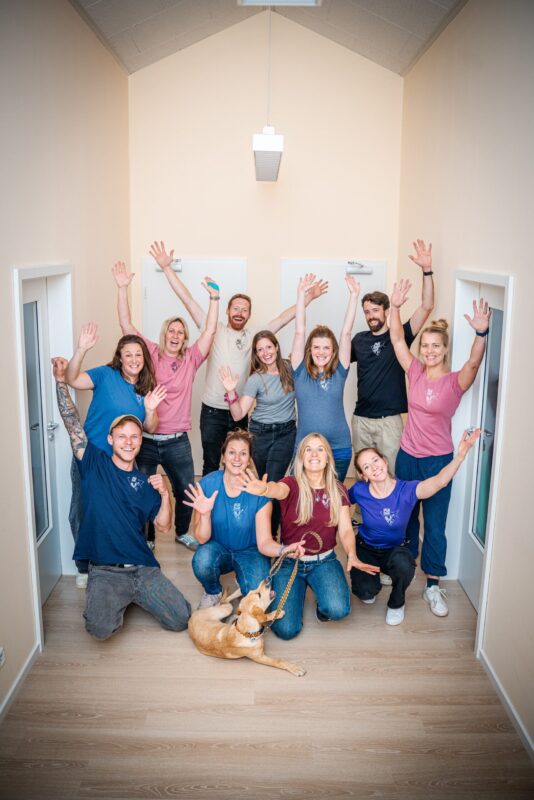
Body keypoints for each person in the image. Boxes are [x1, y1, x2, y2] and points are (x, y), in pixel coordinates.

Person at [148, 241, 327, 476]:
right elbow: (188, 300)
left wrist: (309, 297)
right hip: (212, 412)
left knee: (241, 466)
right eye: (235, 308)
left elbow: (285, 318)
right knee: (212, 464)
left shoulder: (257, 336)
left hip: (240, 412)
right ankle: (209, 511)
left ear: (249, 315)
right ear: (227, 311)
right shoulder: (214, 329)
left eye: (244, 310)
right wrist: (167, 269)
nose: (239, 313)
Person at [51, 357, 191, 639]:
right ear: (111, 439)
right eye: (122, 436)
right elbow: (71, 422)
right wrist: (60, 381)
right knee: (99, 629)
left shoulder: (145, 483)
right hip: (105, 571)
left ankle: (134, 595)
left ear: (141, 441)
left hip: (142, 567)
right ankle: (113, 596)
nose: (129, 441)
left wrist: (165, 494)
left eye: (135, 437)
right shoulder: (93, 463)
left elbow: (163, 526)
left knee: (181, 619)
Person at [389, 278, 491, 616]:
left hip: (437, 461)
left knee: (434, 525)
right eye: (426, 346)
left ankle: (433, 585)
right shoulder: (415, 372)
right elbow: (396, 339)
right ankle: (401, 570)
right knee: (405, 520)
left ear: (445, 350)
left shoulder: (455, 382)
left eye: (436, 346)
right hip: (407, 459)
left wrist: (481, 334)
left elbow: (474, 365)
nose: (429, 351)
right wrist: (395, 306)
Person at [112, 259, 219, 551]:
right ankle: (146, 538)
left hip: (176, 441)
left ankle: (184, 531)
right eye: (171, 330)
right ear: (164, 334)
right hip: (145, 438)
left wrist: (214, 298)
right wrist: (122, 289)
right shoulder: (151, 352)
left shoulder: (191, 359)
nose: (175, 335)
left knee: (185, 489)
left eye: (180, 331)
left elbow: (209, 332)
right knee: (144, 488)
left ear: (185, 338)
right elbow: (126, 325)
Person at [240, 433, 375, 640]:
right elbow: (277, 490)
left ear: (328, 457)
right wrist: (265, 489)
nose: (314, 454)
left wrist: (352, 554)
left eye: (320, 449)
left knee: (338, 610)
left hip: (324, 561)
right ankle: (299, 590)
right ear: (301, 457)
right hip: (289, 561)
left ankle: (318, 596)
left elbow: (346, 530)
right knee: (285, 630)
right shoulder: (291, 484)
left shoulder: (338, 489)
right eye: (308, 449)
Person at [64, 323, 166, 585]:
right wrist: (81, 350)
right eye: (128, 354)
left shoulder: (146, 388)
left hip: (128, 459)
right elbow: (72, 379)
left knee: (131, 509)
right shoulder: (105, 375)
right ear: (119, 358)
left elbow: (150, 427)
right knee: (83, 510)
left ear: (145, 359)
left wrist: (151, 409)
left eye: (138, 355)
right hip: (92, 458)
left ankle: (129, 554)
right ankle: (85, 567)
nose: (133, 359)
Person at [348, 429, 481, 625]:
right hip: (366, 548)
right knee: (366, 594)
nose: (374, 467)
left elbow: (439, 482)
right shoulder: (359, 490)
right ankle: (375, 576)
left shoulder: (406, 489)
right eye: (366, 467)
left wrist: (460, 455)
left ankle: (397, 603)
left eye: (376, 461)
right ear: (363, 475)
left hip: (393, 550)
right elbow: (338, 504)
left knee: (404, 565)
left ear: (385, 461)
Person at [183, 430, 305, 608]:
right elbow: (201, 539)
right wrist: (205, 513)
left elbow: (264, 543)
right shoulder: (207, 485)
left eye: (243, 454)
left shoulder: (259, 492)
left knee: (258, 598)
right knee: (202, 562)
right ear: (223, 457)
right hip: (218, 548)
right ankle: (213, 591)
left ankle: (244, 580)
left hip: (250, 551)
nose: (237, 458)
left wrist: (285, 550)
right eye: (231, 452)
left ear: (249, 460)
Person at [350, 239, 435, 472]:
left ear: (387, 311)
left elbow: (427, 306)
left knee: (391, 474)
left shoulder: (401, 336)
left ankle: (392, 510)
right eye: (367, 312)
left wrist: (427, 270)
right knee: (363, 474)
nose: (371, 316)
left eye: (375, 311)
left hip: (390, 422)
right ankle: (362, 511)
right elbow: (332, 361)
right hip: (361, 419)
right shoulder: (359, 340)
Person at [218, 330, 296, 536]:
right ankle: (258, 533)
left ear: (276, 347)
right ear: (256, 354)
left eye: (268, 347)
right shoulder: (255, 379)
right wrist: (230, 392)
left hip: (285, 432)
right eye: (260, 350)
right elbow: (238, 414)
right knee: (260, 482)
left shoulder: (290, 369)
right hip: (260, 433)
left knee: (274, 482)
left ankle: (271, 535)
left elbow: (299, 333)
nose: (265, 352)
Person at [290, 273, 359, 481]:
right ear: (309, 350)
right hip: (304, 448)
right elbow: (300, 331)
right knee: (302, 501)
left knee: (333, 500)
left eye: (326, 348)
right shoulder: (299, 370)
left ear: (333, 351)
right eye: (316, 347)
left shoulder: (340, 371)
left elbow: (346, 333)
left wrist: (354, 296)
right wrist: (301, 295)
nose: (321, 352)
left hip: (338, 448)